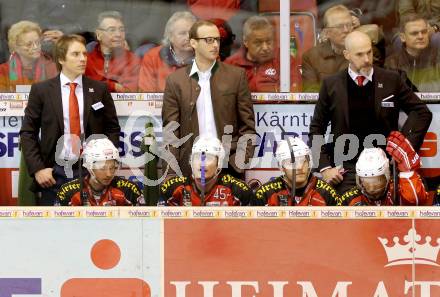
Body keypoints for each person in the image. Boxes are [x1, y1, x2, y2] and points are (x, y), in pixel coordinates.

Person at [309, 30, 432, 195]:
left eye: (369, 52)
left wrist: (404, 148)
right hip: (346, 171)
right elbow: (316, 128)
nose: (367, 59)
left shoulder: (392, 79)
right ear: (347, 55)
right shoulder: (331, 85)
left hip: (386, 168)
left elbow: (422, 112)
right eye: (359, 54)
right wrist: (324, 168)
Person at [20, 34, 121, 206]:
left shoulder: (99, 89)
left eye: (84, 54)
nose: (82, 59)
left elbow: (112, 128)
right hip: (53, 174)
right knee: (53, 230)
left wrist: (105, 164)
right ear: (61, 58)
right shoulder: (42, 91)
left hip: (92, 172)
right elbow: (28, 132)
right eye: (75, 54)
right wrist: (38, 169)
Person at [162, 20, 256, 178]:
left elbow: (247, 128)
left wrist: (237, 164)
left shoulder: (236, 76)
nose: (215, 45)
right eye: (209, 40)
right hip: (190, 170)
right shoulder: (175, 81)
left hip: (229, 168)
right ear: (193, 43)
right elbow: (171, 134)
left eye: (217, 40)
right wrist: (172, 175)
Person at [341, 132, 430, 206]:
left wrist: (407, 173)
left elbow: (417, 202)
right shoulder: (350, 198)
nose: (372, 190)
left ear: (387, 177)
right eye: (367, 184)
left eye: (377, 183)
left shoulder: (398, 191)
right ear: (359, 181)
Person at [159, 136, 252, 206]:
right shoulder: (172, 189)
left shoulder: (238, 191)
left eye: (208, 158)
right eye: (197, 157)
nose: (202, 163)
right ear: (190, 162)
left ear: (219, 164)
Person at [253, 137, 340, 206]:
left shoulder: (326, 193)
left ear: (310, 163)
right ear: (281, 167)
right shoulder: (265, 194)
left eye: (303, 161)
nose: (299, 167)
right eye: (291, 162)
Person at [57, 138, 144, 206]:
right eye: (102, 168)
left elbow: (142, 224)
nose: (109, 174)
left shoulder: (129, 190)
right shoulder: (68, 192)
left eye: (113, 168)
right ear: (89, 167)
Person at [225, 15, 301, 92]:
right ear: (246, 42)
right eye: (258, 43)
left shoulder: (285, 59)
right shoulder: (231, 65)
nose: (265, 47)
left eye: (268, 42)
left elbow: (295, 93)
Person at [138, 11, 196, 92]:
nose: (188, 37)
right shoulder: (153, 56)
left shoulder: (205, 55)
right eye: (182, 33)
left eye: (191, 32)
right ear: (170, 37)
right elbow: (146, 93)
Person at [301, 5, 354, 92]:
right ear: (327, 32)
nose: (346, 30)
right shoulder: (311, 57)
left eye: (349, 25)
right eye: (340, 26)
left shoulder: (362, 52)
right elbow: (310, 93)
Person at [85, 11, 140, 92]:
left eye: (121, 30)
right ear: (98, 34)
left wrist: (100, 83)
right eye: (112, 30)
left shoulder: (132, 60)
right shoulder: (86, 60)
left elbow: (130, 91)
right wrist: (114, 85)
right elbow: (85, 85)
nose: (118, 34)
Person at [385, 13, 440, 92]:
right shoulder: (391, 64)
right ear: (403, 37)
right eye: (414, 33)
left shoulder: (437, 59)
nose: (420, 36)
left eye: (424, 32)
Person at [0, 20, 58, 92]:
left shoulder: (51, 68)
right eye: (29, 44)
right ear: (15, 47)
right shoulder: (3, 71)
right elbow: (3, 99)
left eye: (37, 42)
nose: (35, 47)